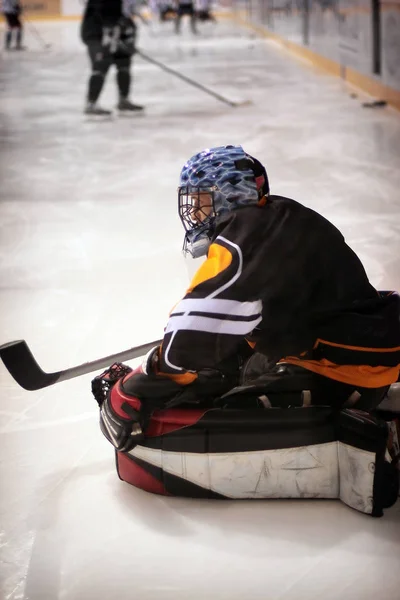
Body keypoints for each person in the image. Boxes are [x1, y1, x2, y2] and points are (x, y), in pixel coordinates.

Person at [93, 144, 400, 452]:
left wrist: (152, 374)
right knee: (225, 368)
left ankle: (359, 428)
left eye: (201, 200)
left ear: (230, 194)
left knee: (218, 417)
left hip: (347, 372)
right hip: (346, 353)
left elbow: (204, 318)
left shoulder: (249, 232)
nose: (193, 212)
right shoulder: (272, 217)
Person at [81, 0, 144, 116]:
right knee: (101, 66)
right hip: (97, 35)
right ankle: (91, 104)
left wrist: (128, 39)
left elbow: (123, 18)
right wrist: (111, 35)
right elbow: (101, 16)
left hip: (116, 34)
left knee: (124, 63)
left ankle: (123, 100)